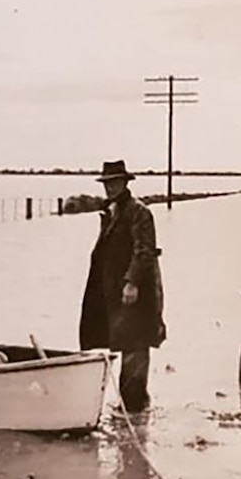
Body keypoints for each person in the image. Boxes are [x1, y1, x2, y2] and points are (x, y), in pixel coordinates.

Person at [79, 160, 166, 413]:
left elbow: (144, 250)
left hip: (137, 291)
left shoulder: (139, 211)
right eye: (107, 183)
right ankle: (132, 410)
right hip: (115, 291)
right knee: (123, 340)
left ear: (125, 183)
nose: (110, 187)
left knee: (135, 344)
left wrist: (132, 282)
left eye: (115, 182)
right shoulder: (112, 212)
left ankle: (135, 408)